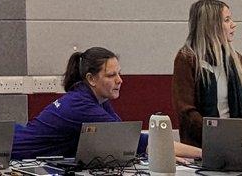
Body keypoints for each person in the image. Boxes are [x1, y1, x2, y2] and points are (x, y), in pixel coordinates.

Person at [13, 46, 200, 161]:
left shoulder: (97, 100)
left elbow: (125, 138)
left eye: (119, 73)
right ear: (91, 79)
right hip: (14, 155)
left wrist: (160, 151)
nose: (120, 80)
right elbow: (136, 142)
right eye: (111, 75)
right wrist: (204, 155)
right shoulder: (81, 105)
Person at [172, 0, 242, 145]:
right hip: (202, 147)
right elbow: (186, 112)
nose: (233, 24)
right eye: (227, 20)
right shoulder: (186, 59)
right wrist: (219, 136)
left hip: (240, 143)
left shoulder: (236, 58)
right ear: (211, 26)